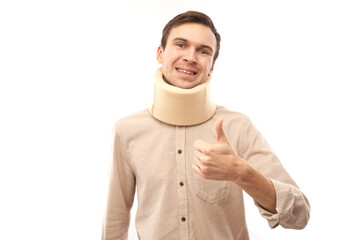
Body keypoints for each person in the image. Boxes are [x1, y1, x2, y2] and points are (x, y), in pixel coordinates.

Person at [102, 11, 310, 240]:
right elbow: (114, 224)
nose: (191, 57)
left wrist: (241, 173)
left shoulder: (237, 127)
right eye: (181, 45)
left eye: (203, 51)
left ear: (211, 66)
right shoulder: (127, 131)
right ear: (160, 53)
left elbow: (299, 215)